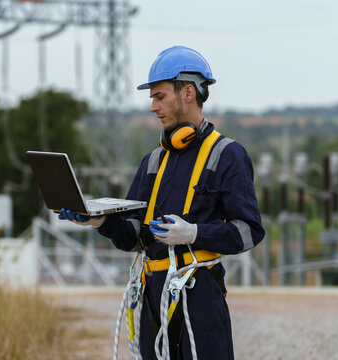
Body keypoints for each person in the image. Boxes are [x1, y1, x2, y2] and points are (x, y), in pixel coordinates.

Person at [59, 45, 265, 360]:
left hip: (200, 295)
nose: (153, 106)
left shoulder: (227, 155)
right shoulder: (153, 161)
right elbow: (133, 238)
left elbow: (250, 231)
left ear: (188, 92)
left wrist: (195, 234)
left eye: (160, 96)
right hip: (154, 293)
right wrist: (100, 220)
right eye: (152, 98)